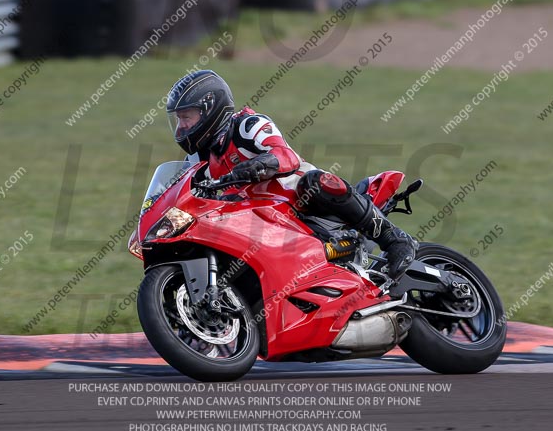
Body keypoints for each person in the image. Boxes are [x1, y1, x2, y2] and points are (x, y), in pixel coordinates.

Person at [166, 69, 418, 279]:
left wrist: (259, 164)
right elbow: (184, 195)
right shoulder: (198, 159)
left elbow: (287, 156)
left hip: (300, 200)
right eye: (178, 119)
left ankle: (394, 239)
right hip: (261, 220)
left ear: (210, 110)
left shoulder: (247, 126)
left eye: (187, 117)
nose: (182, 127)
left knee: (315, 182)